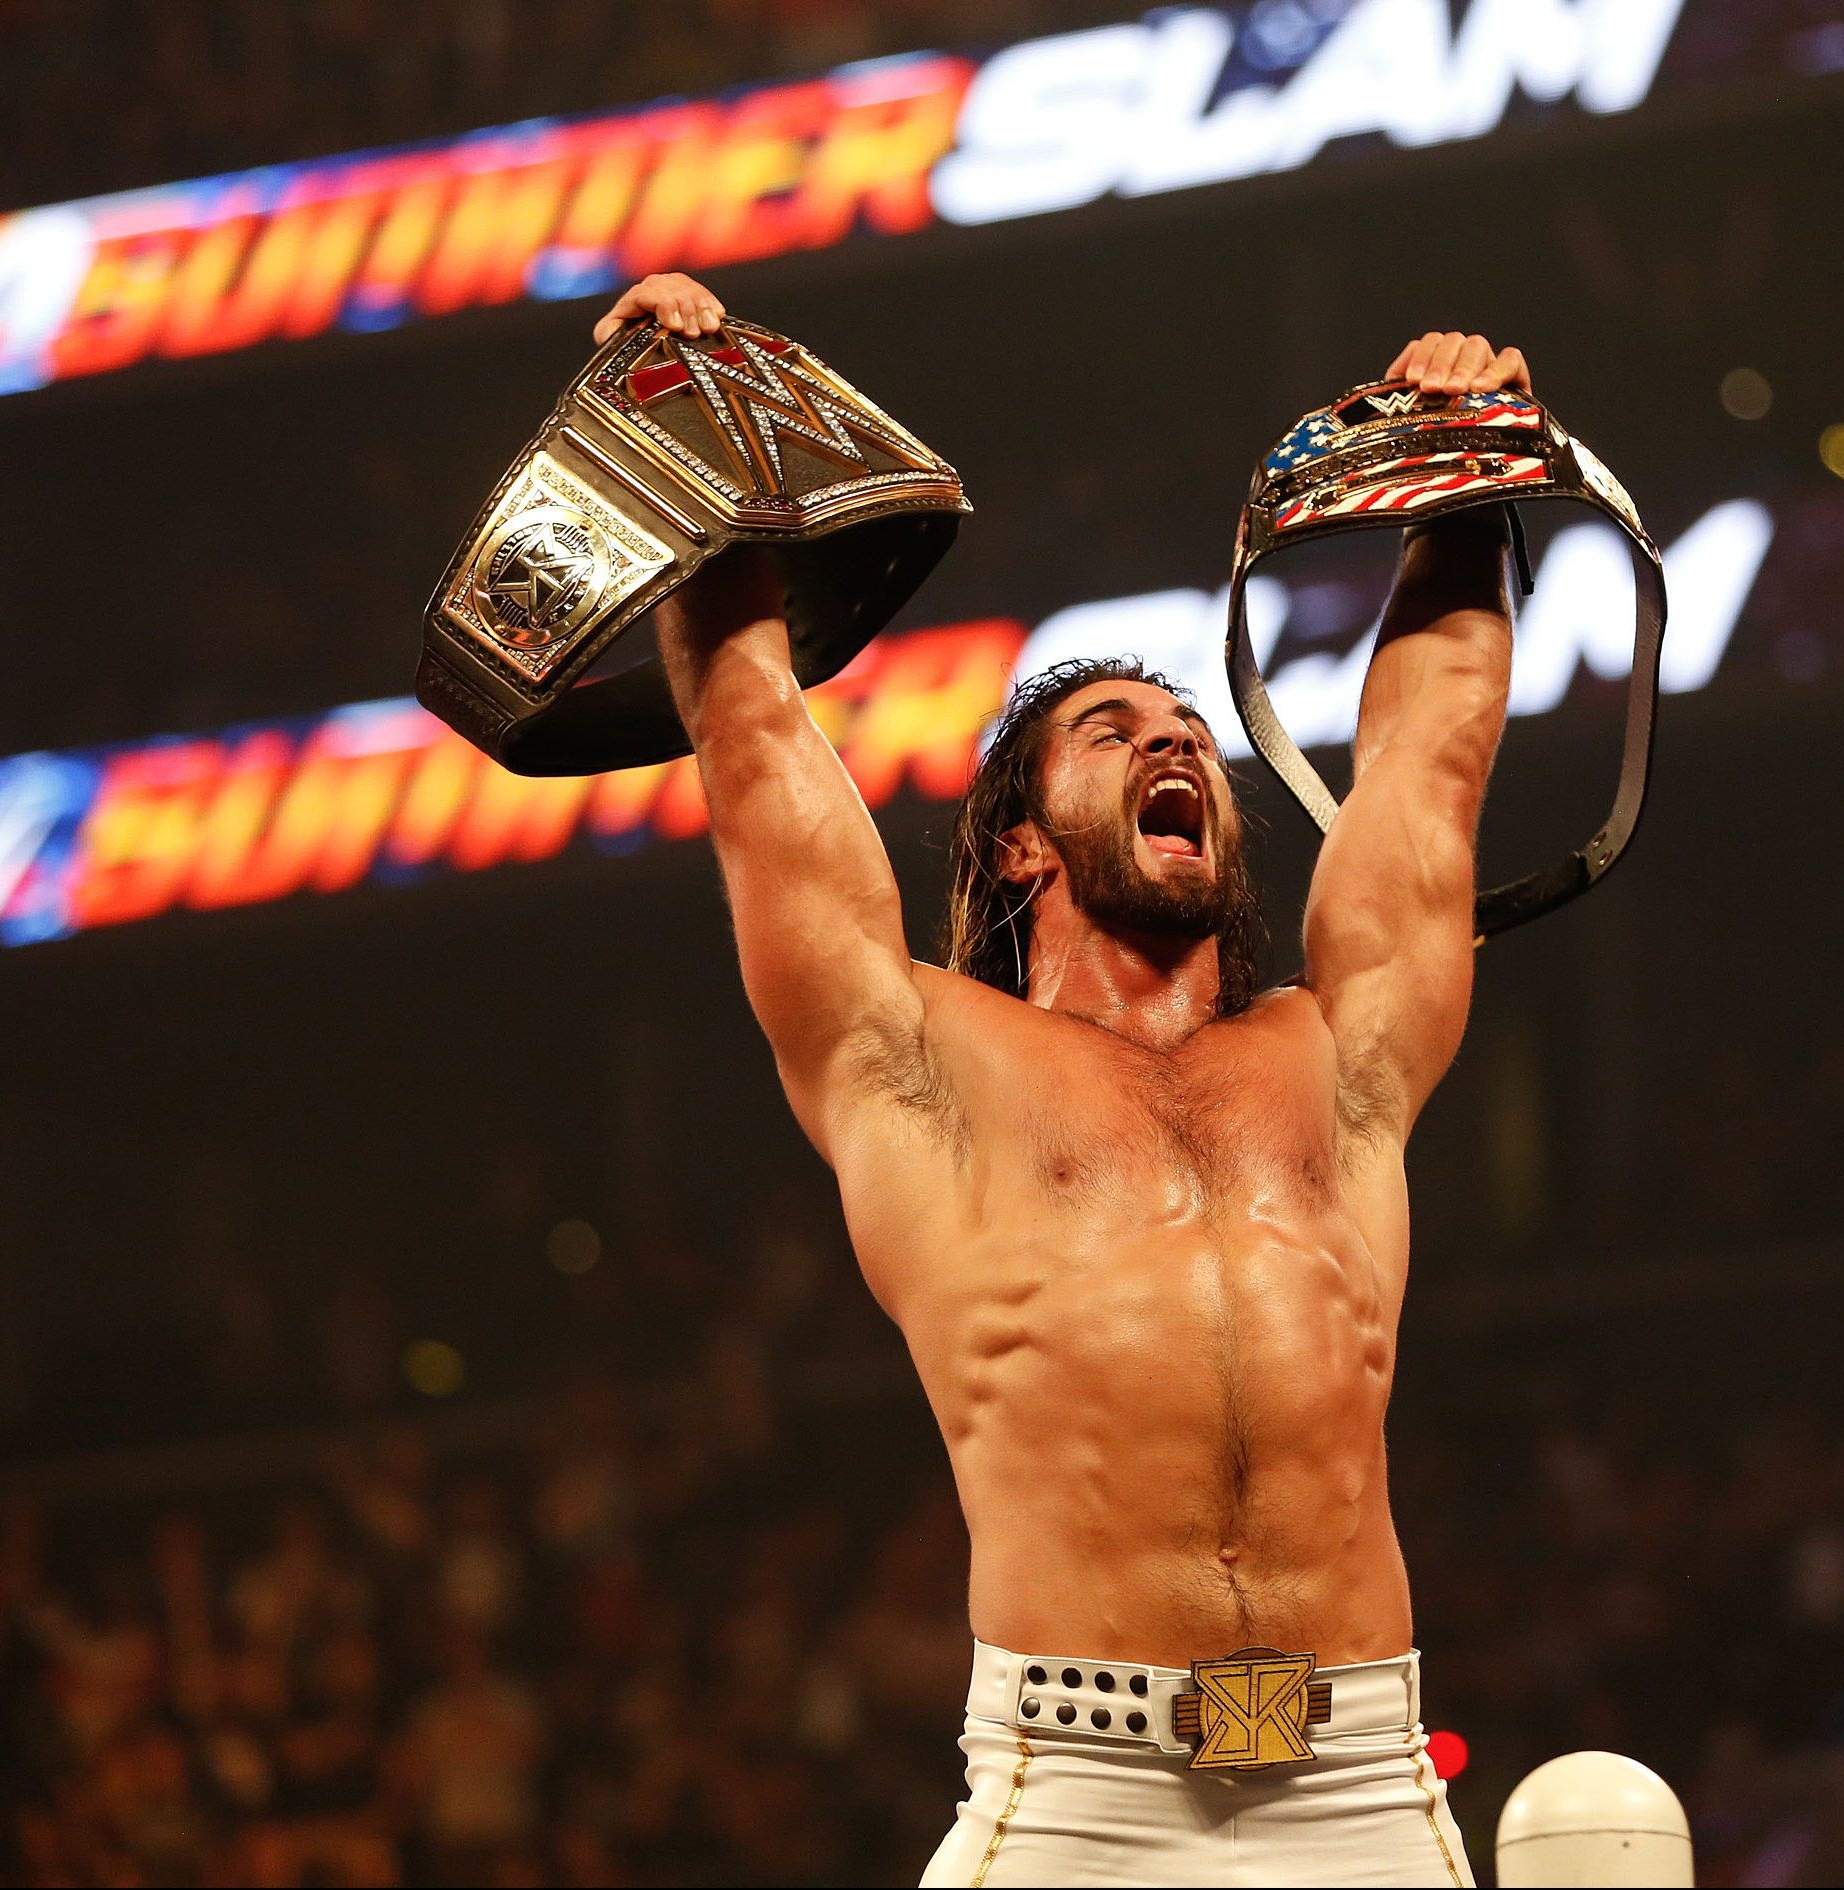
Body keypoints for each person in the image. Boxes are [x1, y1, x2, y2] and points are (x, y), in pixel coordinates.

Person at [594, 274, 1529, 1886]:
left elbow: (1433, 766)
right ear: (1023, 839)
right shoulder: (924, 1060)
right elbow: (752, 748)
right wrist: (671, 424)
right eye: (1113, 730)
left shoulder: (1337, 1050)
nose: (1174, 745)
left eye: (1189, 733)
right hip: (1083, 1798)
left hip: (1356, 1775)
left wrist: (1462, 488)